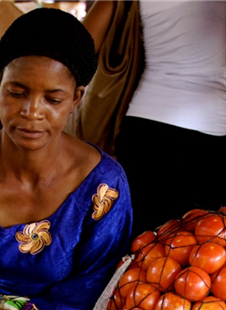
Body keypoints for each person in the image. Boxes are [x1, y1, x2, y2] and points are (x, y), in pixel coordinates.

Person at [0, 8, 133, 310]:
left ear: (76, 98)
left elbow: (92, 286)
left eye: (53, 99)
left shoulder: (104, 186)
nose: (32, 112)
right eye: (17, 93)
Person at [83, 0, 226, 237]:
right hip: (205, 135)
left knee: (146, 250)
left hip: (147, 130)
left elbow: (77, 47)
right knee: (207, 255)